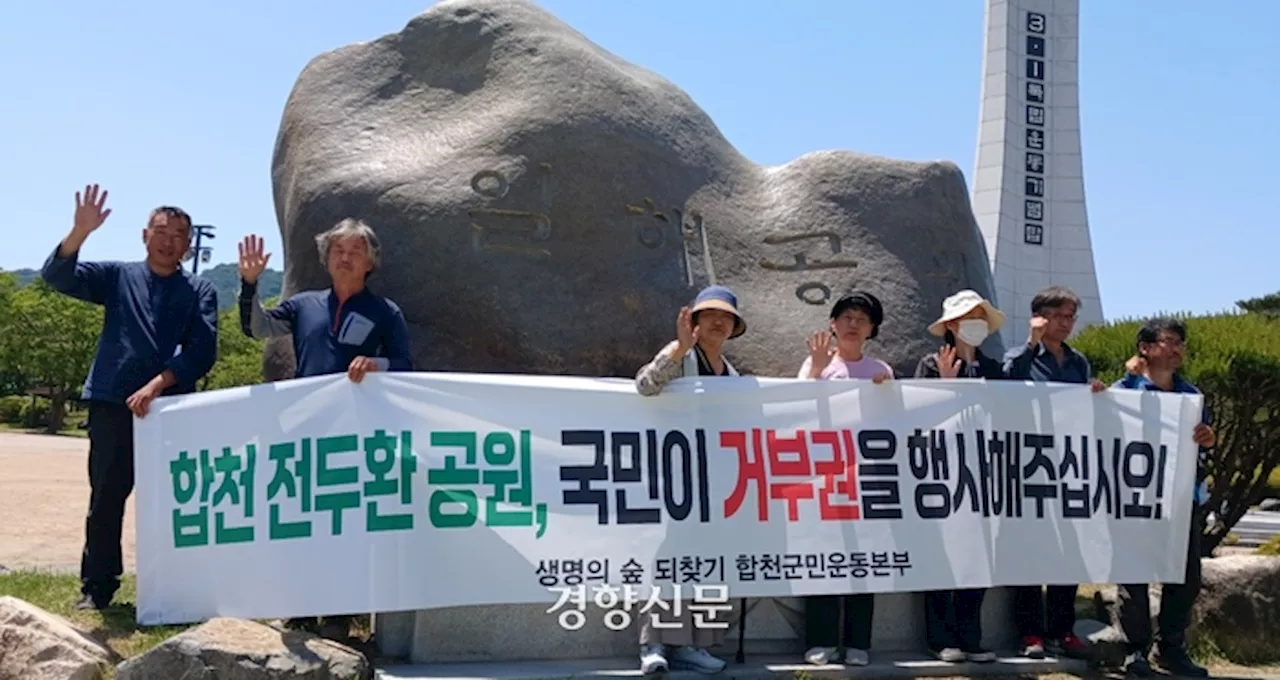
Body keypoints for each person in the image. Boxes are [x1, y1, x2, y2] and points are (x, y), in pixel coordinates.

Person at [41, 184, 219, 610]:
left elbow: (202, 351)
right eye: (162, 231)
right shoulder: (118, 276)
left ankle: (176, 589)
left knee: (177, 501)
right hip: (112, 404)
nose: (169, 240)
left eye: (179, 235)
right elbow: (57, 276)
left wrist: (158, 384)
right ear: (145, 236)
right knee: (106, 497)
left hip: (172, 409)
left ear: (189, 243)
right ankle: (97, 588)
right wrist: (79, 232)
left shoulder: (200, 290)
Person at [237, 219, 413, 638]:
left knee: (348, 522)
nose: (344, 257)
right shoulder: (303, 305)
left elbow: (406, 364)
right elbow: (256, 327)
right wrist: (248, 285)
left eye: (354, 251)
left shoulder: (385, 312)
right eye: (337, 250)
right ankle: (299, 607)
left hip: (356, 434)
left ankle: (340, 613)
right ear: (325, 258)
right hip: (303, 431)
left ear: (370, 262)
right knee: (301, 519)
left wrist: (376, 364)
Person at [633, 284, 746, 674]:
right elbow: (646, 385)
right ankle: (655, 644)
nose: (719, 322)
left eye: (727, 317)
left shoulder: (731, 374)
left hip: (716, 482)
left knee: (710, 561)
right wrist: (679, 348)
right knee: (670, 559)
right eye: (710, 314)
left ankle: (696, 644)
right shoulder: (679, 354)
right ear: (694, 321)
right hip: (676, 476)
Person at [1001, 286, 1105, 659]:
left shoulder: (1077, 363)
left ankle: (1063, 629)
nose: (1066, 324)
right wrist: (1031, 343)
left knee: (1067, 553)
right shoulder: (1020, 355)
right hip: (1029, 466)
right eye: (1058, 316)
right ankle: (1030, 632)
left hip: (1067, 468)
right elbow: (1008, 384)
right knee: (1030, 552)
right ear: (1039, 316)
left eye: (1070, 317)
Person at [1110, 318, 1214, 678]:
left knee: (1185, 579)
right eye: (1167, 341)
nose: (1175, 349)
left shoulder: (1191, 397)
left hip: (1181, 502)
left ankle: (1170, 648)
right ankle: (1134, 649)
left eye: (1179, 343)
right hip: (1136, 500)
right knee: (1134, 578)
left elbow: (1203, 448)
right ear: (1145, 348)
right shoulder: (1122, 392)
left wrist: (1207, 438)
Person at [796, 291, 892, 666]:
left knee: (864, 560)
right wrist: (818, 370)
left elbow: (893, 422)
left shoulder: (879, 370)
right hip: (824, 480)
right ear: (833, 324)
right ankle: (820, 640)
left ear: (872, 330)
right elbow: (797, 411)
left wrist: (888, 395)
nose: (854, 324)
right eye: (847, 317)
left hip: (867, 479)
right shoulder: (815, 365)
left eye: (862, 319)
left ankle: (858, 642)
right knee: (824, 558)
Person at [911, 289, 1005, 664]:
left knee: (977, 559)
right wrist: (946, 383)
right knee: (941, 558)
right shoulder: (930, 364)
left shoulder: (994, 368)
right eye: (970, 317)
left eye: (981, 317)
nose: (976, 324)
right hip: (940, 473)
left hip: (984, 476)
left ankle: (971, 637)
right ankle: (939, 638)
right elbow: (917, 413)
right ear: (951, 325)